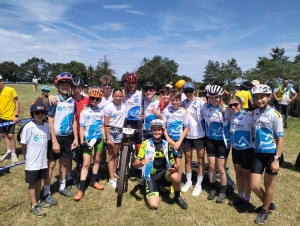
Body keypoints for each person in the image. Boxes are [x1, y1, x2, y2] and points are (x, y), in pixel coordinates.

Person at [133, 119, 188, 210]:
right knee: (154, 205)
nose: (156, 132)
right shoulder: (145, 144)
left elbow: (172, 161)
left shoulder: (166, 144)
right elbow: (135, 164)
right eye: (154, 130)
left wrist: (174, 166)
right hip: (150, 176)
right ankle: (157, 187)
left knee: (176, 176)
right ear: (151, 130)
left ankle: (177, 197)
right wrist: (141, 163)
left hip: (163, 174)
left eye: (159, 130)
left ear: (163, 131)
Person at [250, 84, 284, 224]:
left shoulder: (275, 114)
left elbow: (280, 137)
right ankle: (268, 203)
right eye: (256, 98)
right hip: (258, 153)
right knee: (254, 186)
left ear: (269, 97)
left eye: (262, 97)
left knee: (269, 185)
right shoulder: (255, 113)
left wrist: (276, 159)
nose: (259, 100)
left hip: (272, 155)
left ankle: (264, 211)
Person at [43, 72, 78, 205]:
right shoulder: (54, 100)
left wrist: (75, 138)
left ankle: (62, 187)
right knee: (51, 164)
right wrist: (54, 141)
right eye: (62, 84)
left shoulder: (72, 101)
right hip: (55, 136)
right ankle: (46, 191)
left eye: (67, 84)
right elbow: (50, 121)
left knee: (64, 162)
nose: (65, 86)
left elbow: (74, 120)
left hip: (68, 137)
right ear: (57, 86)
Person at [48, 77, 90, 187]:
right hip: (67, 133)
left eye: (79, 87)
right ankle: (69, 175)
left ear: (82, 88)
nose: (76, 89)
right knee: (67, 157)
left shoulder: (87, 99)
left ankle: (82, 174)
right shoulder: (65, 99)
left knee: (75, 156)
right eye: (74, 87)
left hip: (82, 132)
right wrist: (49, 96)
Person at [74, 89, 105, 201]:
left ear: (100, 100)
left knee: (97, 160)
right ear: (90, 99)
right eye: (92, 98)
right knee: (86, 164)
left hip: (99, 139)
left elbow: (102, 126)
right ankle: (81, 189)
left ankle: (93, 181)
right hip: (88, 140)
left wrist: (104, 138)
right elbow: (81, 127)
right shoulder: (84, 111)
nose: (95, 101)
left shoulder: (102, 111)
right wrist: (82, 141)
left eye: (97, 99)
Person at [21, 103, 51, 216]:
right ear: (32, 113)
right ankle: (34, 205)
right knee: (32, 183)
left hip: (42, 161)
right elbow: (23, 144)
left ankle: (38, 200)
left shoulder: (47, 126)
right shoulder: (29, 127)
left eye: (43, 112)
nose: (40, 115)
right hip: (32, 162)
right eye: (37, 112)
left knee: (39, 181)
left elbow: (46, 142)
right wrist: (25, 157)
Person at [202, 85, 231, 203]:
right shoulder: (205, 107)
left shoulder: (226, 109)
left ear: (221, 97)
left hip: (222, 142)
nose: (214, 99)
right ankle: (213, 188)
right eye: (212, 97)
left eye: (217, 97)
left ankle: (223, 190)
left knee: (221, 168)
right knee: (212, 166)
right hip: (210, 140)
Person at [227, 96, 254, 213]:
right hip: (236, 149)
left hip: (247, 150)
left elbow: (259, 128)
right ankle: (240, 195)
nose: (233, 107)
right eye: (230, 105)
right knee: (238, 174)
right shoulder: (232, 117)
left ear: (241, 104)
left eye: (235, 104)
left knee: (246, 176)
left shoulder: (248, 117)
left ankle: (246, 200)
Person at [180, 82, 206, 197]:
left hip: (200, 135)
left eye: (190, 91)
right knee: (188, 159)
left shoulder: (201, 102)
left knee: (200, 160)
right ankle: (189, 182)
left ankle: (198, 184)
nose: (188, 93)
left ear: (194, 91)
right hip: (187, 135)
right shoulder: (182, 103)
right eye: (186, 91)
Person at [162, 89, 189, 183]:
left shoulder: (183, 112)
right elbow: (163, 127)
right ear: (170, 100)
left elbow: (186, 128)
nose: (175, 102)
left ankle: (177, 183)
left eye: (177, 100)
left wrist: (179, 141)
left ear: (180, 100)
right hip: (169, 141)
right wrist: (168, 138)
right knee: (169, 162)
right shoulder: (166, 111)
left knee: (178, 164)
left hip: (179, 142)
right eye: (173, 100)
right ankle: (168, 181)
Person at [104, 88, 125, 188]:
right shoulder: (109, 107)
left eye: (120, 96)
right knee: (111, 155)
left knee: (116, 153)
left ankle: (114, 172)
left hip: (119, 131)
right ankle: (111, 178)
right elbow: (106, 124)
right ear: (112, 96)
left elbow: (122, 119)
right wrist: (108, 138)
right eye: (116, 96)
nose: (118, 98)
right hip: (111, 131)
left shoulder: (123, 106)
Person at [0, 75, 19, 163]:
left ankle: (13, 153)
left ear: (2, 81)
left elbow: (17, 102)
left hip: (10, 117)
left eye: (0, 81)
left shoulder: (10, 90)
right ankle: (8, 151)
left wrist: (16, 115)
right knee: (4, 135)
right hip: (1, 117)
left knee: (10, 136)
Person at [122, 72, 143, 152]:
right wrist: (123, 90)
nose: (131, 85)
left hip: (137, 121)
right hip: (127, 121)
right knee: (126, 143)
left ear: (136, 83)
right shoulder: (123, 94)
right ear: (126, 83)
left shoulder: (140, 93)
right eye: (129, 83)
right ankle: (125, 160)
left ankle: (139, 162)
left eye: (133, 83)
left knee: (139, 143)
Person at [98, 75, 114, 174]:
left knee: (112, 147)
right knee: (102, 147)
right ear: (101, 85)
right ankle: (103, 165)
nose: (107, 87)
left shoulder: (114, 95)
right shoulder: (98, 95)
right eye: (105, 85)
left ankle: (113, 167)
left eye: (109, 84)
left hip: (112, 124)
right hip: (100, 125)